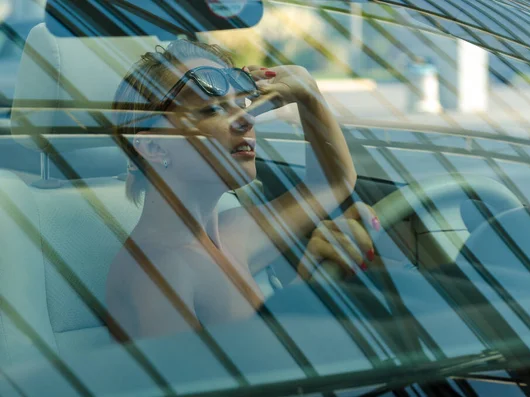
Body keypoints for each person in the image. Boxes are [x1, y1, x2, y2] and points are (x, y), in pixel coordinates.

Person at [106, 39, 379, 340]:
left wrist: (307, 92)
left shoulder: (232, 230)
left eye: (242, 104)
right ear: (154, 147)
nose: (246, 119)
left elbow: (332, 182)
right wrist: (304, 291)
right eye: (211, 109)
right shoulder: (158, 273)